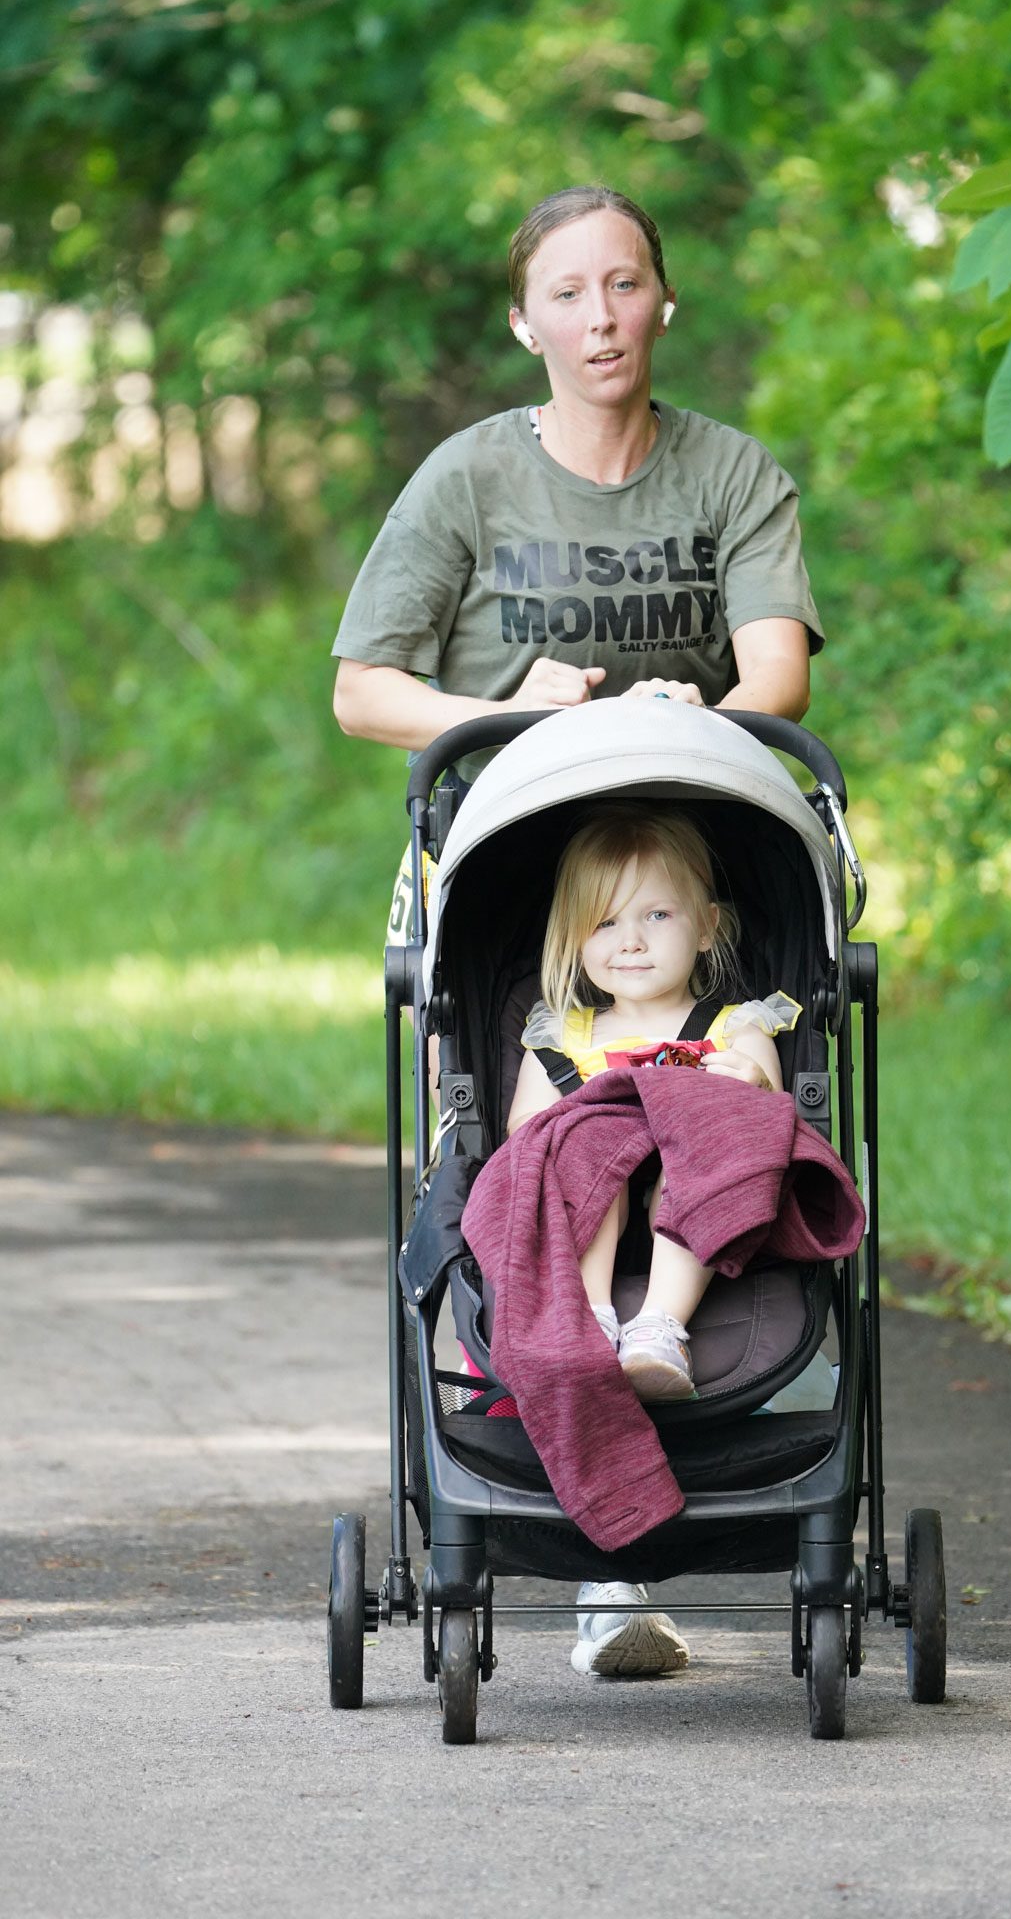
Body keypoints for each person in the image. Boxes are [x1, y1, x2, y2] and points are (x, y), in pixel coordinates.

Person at [330, 181, 825, 1677]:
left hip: (695, 858)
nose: (599, 317)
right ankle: (590, 1534)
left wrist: (700, 708)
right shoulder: (470, 479)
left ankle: (644, 1500)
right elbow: (362, 692)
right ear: (524, 320)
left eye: (623, 285)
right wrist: (505, 709)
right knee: (543, 1160)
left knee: (705, 1127)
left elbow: (777, 682)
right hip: (519, 884)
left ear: (663, 301)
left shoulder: (730, 473)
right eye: (567, 292)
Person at [507, 803, 800, 1402]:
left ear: (707, 927)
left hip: (703, 1209)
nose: (631, 942)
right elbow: (525, 1134)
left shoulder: (735, 1027)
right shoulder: (561, 1038)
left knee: (716, 1138)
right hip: (588, 1205)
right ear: (574, 937)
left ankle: (659, 1329)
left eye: (658, 915)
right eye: (605, 922)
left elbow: (770, 1120)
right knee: (576, 1140)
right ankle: (588, 1319)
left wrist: (752, 1083)